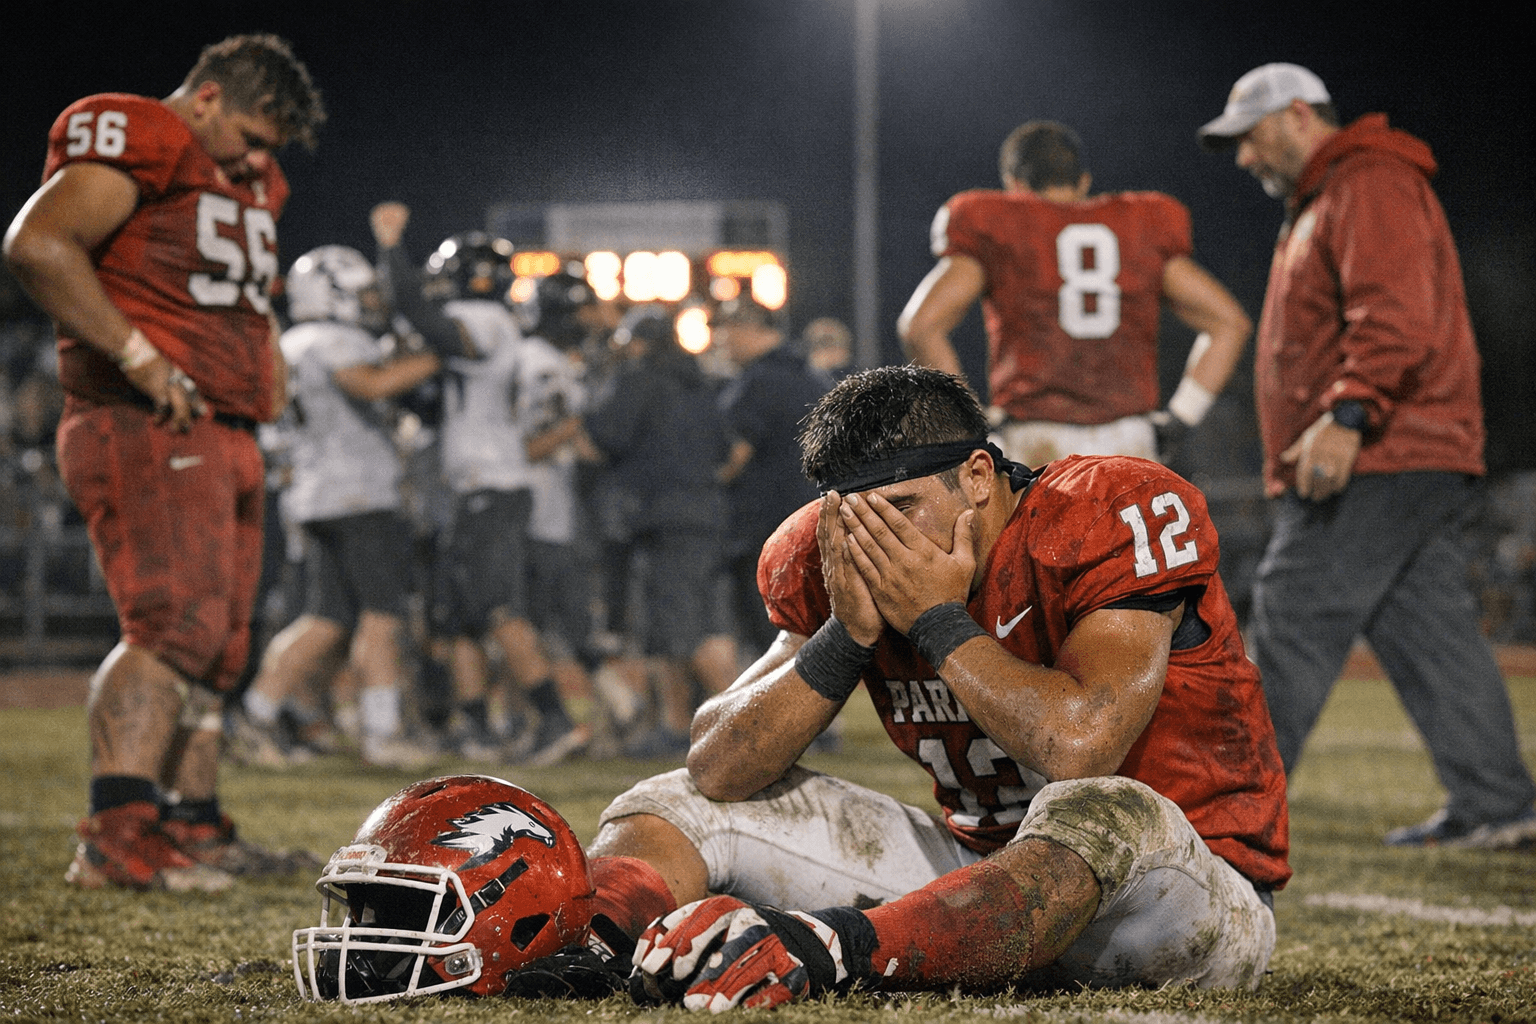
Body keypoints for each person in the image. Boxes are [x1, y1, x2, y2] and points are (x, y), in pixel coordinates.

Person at [578, 364, 1289, 1006]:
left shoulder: (1101, 511)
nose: (881, 541)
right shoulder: (819, 552)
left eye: (905, 507)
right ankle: (588, 945)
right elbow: (718, 765)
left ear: (978, 477)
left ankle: (835, 952)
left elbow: (1078, 747)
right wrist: (844, 637)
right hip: (973, 885)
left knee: (1105, 809)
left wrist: (935, 621)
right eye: (857, 519)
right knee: (672, 799)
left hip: (1171, 895)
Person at [3, 34, 325, 891]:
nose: (261, 159)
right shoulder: (140, 130)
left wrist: (267, 367)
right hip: (144, 415)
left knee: (219, 647)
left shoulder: (253, 180)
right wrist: (137, 354)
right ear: (210, 96)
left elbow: (237, 293)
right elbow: (38, 244)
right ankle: (116, 833)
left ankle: (191, 824)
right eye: (253, 135)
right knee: (170, 627)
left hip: (227, 423)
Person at [1198, 63, 1536, 848]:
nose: (1244, 158)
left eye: (1248, 136)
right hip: (1405, 448)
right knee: (1429, 632)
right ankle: (1498, 801)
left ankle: (1224, 817)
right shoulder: (1331, 194)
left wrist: (1350, 412)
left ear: (1294, 116)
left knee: (1293, 609)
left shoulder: (1368, 182)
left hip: (1383, 448)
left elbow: (1395, 314)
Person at [898, 120, 1251, 468]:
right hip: (1130, 444)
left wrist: (971, 427)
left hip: (1035, 442)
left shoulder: (999, 223)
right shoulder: (1141, 226)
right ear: (1083, 182)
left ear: (1013, 184)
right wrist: (1181, 417)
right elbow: (1229, 323)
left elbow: (920, 325)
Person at [230, 244, 444, 770]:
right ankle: (381, 732)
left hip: (314, 492)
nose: (370, 302)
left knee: (326, 618)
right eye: (362, 291)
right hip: (359, 494)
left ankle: (255, 715)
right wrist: (439, 352)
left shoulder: (293, 341)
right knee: (383, 617)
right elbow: (371, 383)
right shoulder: (334, 340)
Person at [392, 215, 587, 766]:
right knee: (460, 618)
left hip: (491, 487)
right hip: (476, 487)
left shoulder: (483, 319)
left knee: (500, 610)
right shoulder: (496, 324)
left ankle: (554, 720)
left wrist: (391, 254)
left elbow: (430, 325)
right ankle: (476, 726)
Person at [712, 296, 833, 659]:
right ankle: (818, 703)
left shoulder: (757, 381)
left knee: (768, 628)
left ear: (748, 330)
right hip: (814, 518)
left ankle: (786, 708)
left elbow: (734, 456)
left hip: (762, 525)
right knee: (805, 621)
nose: (721, 341)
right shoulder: (814, 377)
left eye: (726, 331)